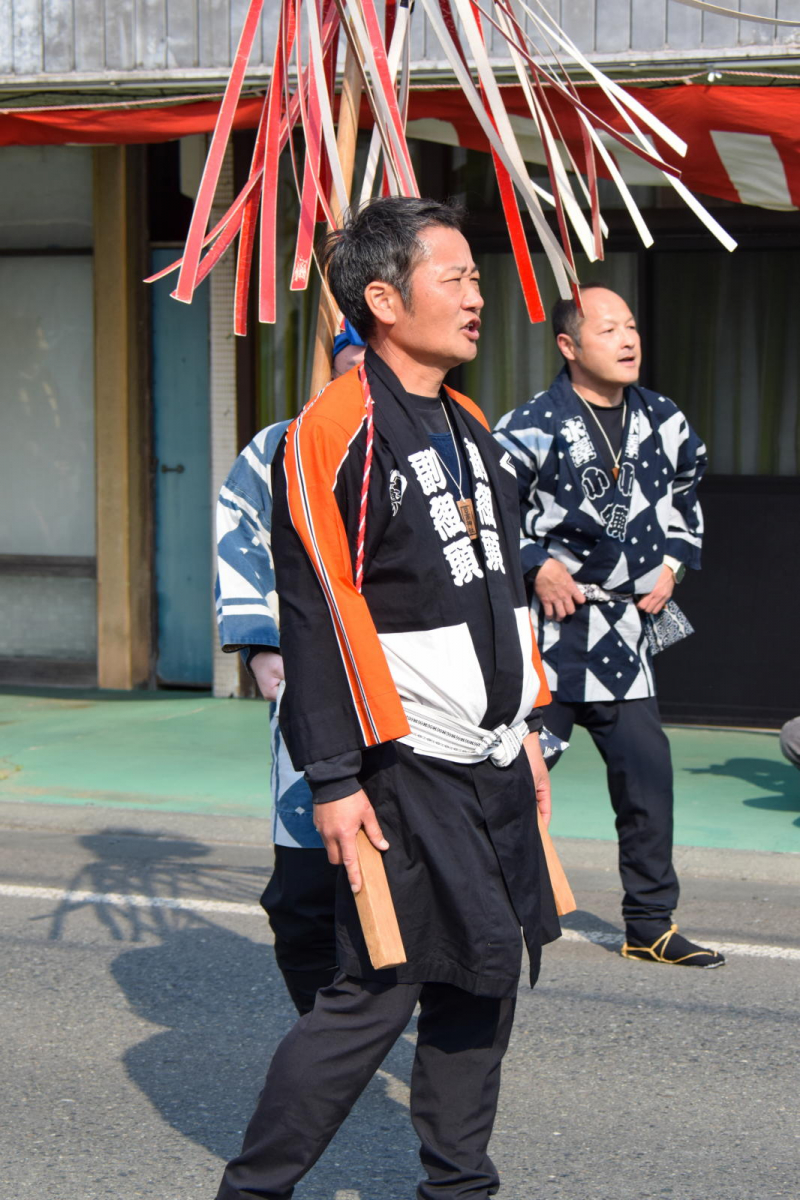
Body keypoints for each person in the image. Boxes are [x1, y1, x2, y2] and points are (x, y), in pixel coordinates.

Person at [214, 195, 559, 1200]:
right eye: (452, 278)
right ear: (381, 297)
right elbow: (316, 605)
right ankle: (253, 1188)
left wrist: (526, 724)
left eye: (474, 279)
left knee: (480, 978)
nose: (476, 296)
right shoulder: (337, 429)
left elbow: (498, 592)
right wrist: (331, 775)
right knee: (375, 993)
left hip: (487, 757)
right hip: (400, 763)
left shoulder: (466, 423)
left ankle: (458, 1186)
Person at [495, 284, 725, 969]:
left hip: (626, 637)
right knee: (512, 782)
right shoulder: (530, 423)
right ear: (568, 346)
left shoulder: (665, 418)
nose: (628, 339)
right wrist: (534, 564)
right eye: (609, 329)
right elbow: (487, 511)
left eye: (632, 326)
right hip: (552, 637)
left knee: (648, 781)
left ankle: (649, 924)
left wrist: (676, 563)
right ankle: (480, 912)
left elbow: (688, 490)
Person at [214, 324, 365, 1015]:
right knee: (305, 891)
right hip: (316, 681)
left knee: (412, 876)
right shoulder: (282, 444)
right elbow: (239, 528)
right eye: (356, 358)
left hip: (422, 694)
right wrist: (259, 639)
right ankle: (325, 1024)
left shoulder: (451, 442)